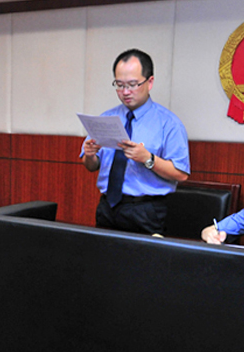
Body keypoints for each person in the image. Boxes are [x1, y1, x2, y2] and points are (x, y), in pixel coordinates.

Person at [80, 48, 190, 235]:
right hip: (107, 207)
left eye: (132, 84)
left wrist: (148, 159)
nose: (125, 92)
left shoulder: (169, 123)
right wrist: (90, 155)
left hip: (146, 210)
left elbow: (181, 174)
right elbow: (91, 166)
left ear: (150, 82)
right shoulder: (107, 118)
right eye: (119, 85)